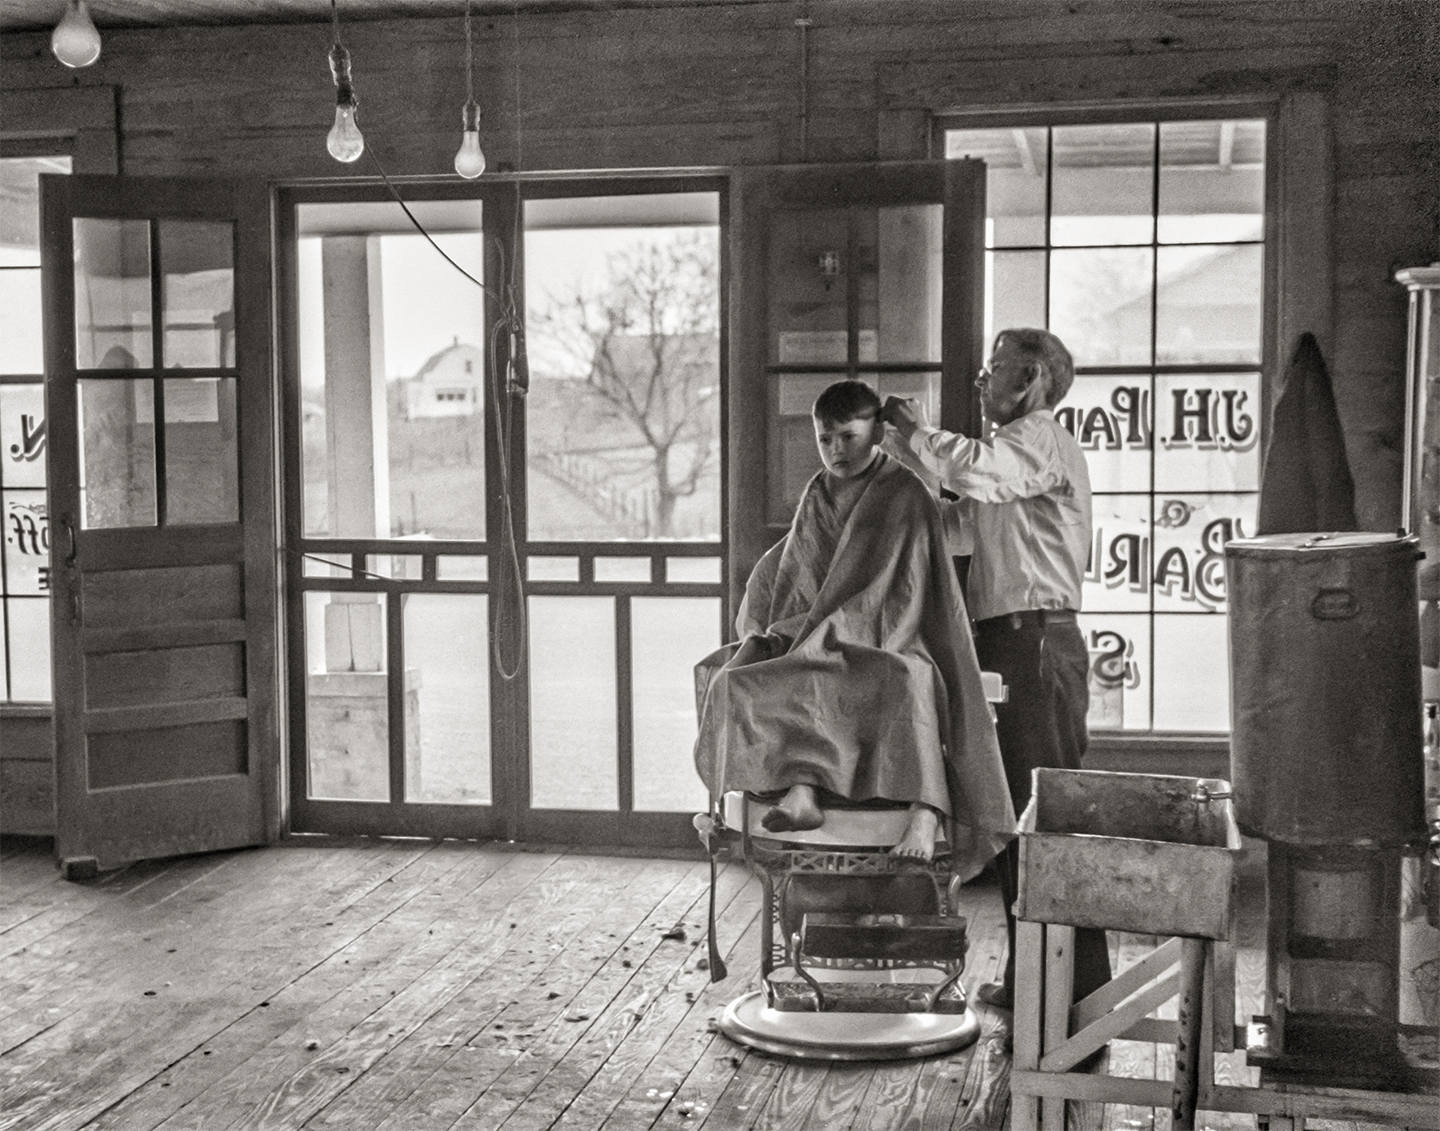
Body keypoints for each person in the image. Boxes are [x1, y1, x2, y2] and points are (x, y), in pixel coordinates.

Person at [693, 379, 1013, 873]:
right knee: (736, 680)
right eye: (826, 439)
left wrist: (847, 629)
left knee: (904, 680)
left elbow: (905, 584)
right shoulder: (818, 490)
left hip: (895, 632)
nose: (836, 450)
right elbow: (800, 576)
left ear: (877, 434)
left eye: (848, 437)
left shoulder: (905, 491)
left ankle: (926, 809)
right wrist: (811, 632)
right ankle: (802, 789)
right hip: (817, 628)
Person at [882, 327, 1111, 1009]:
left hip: (1037, 645)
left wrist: (920, 435)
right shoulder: (1014, 461)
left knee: (1046, 821)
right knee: (1016, 817)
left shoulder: (1037, 439)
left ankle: (1075, 988)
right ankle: (1035, 979)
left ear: (1032, 379)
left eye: (995, 367)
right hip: (1014, 646)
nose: (982, 380)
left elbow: (977, 471)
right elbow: (960, 527)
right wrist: (900, 467)